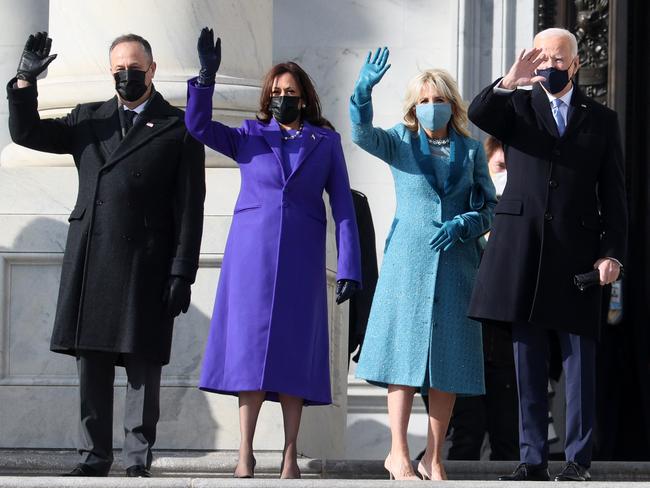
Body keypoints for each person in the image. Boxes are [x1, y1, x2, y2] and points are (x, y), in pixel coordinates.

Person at [7, 32, 206, 478]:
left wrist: (182, 272)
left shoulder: (178, 127)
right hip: (94, 257)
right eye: (118, 68)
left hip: (148, 263)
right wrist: (24, 81)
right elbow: (27, 133)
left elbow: (190, 208)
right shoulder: (89, 119)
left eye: (134, 67)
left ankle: (137, 460)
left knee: (142, 364)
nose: (125, 75)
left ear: (152, 70)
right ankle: (94, 456)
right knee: (91, 362)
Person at [184, 28, 361, 479]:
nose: (283, 97)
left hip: (301, 259)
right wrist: (206, 77)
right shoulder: (248, 134)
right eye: (277, 91)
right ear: (268, 96)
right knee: (249, 355)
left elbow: (342, 205)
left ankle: (289, 454)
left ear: (304, 98)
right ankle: (244, 453)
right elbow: (198, 126)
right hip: (251, 259)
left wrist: (349, 267)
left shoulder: (325, 143)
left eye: (291, 92)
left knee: (293, 355)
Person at [467, 28, 627, 482]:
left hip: (577, 255)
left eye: (558, 61)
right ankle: (532, 458)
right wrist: (509, 80)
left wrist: (611, 252)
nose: (549, 68)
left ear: (575, 64)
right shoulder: (517, 106)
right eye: (542, 60)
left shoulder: (600, 119)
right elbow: (479, 113)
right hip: (524, 251)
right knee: (528, 361)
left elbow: (614, 195)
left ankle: (577, 461)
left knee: (580, 366)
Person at [350, 47, 497, 480]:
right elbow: (361, 134)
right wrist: (362, 92)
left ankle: (432, 456)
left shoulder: (471, 152)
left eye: (439, 100)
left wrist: (465, 224)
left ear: (453, 104)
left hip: (455, 265)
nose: (432, 107)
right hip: (408, 262)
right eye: (425, 101)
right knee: (402, 356)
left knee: (447, 362)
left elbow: (490, 206)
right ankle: (397, 453)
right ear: (415, 106)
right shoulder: (399, 141)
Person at [447, 136, 519, 462]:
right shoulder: (467, 212)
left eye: (511, 168)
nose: (505, 174)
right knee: (466, 434)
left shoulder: (522, 217)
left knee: (508, 439)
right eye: (500, 166)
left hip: (507, 347)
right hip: (465, 343)